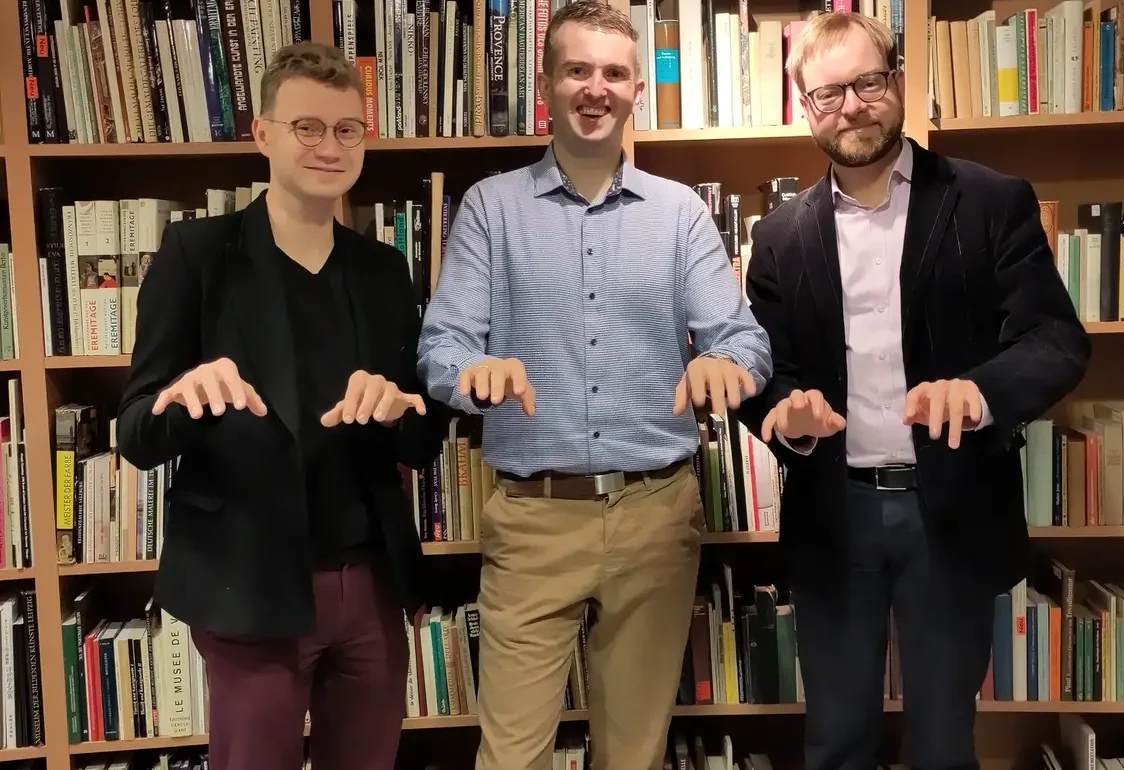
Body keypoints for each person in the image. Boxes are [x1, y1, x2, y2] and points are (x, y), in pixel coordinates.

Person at [416, 2, 773, 768]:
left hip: (656, 513)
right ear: (547, 83)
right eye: (577, 69)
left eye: (613, 72)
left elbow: (744, 342)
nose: (595, 87)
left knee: (635, 752)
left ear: (636, 88)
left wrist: (725, 364)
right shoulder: (490, 208)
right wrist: (470, 374)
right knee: (510, 755)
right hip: (534, 519)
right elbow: (441, 347)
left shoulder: (679, 214)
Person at [738, 11, 1090, 770]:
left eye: (867, 83)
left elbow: (1056, 340)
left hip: (953, 515)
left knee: (940, 745)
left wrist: (981, 390)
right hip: (835, 518)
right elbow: (762, 373)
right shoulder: (778, 237)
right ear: (806, 109)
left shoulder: (991, 201)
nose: (852, 106)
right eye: (828, 93)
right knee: (835, 741)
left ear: (896, 83)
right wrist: (783, 412)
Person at [116, 41, 446, 770]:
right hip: (249, 582)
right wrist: (182, 400)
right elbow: (136, 434)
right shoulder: (196, 255)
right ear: (262, 134)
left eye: (346, 130)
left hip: (369, 584)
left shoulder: (385, 269)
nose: (329, 147)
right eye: (307, 127)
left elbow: (423, 441)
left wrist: (401, 411)